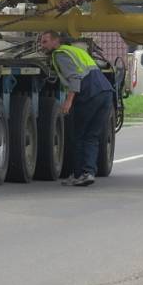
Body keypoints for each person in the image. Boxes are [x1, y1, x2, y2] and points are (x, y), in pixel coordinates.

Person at [39, 30, 113, 187]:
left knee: (78, 135)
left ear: (55, 41)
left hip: (89, 95)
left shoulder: (60, 54)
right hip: (105, 93)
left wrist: (68, 101)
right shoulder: (76, 51)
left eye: (45, 42)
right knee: (92, 136)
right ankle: (88, 173)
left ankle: (79, 174)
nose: (41, 45)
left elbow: (74, 78)